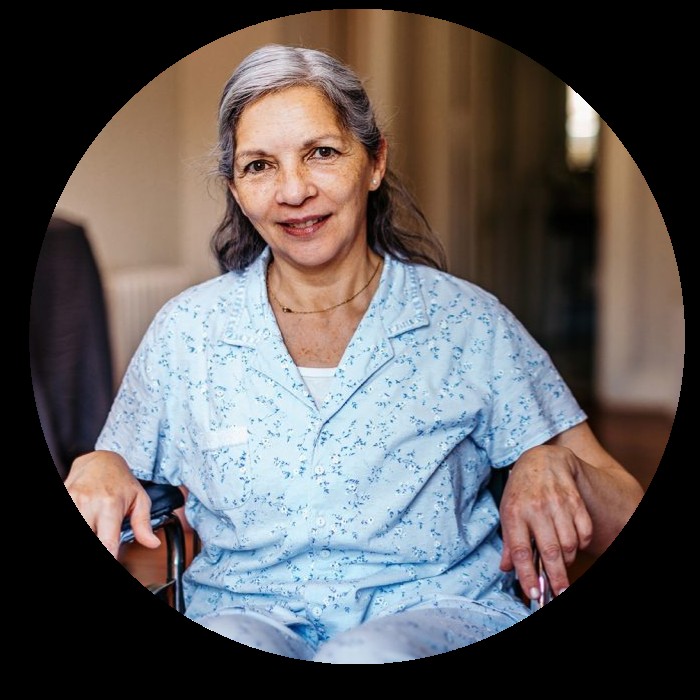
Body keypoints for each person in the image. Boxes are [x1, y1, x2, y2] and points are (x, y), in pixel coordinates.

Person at [65, 43, 644, 663]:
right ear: (235, 186)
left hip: (435, 613)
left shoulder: (466, 324)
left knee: (366, 656)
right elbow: (117, 478)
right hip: (240, 609)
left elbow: (621, 506)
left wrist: (561, 467)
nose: (293, 191)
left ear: (374, 161)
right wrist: (100, 463)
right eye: (260, 166)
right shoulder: (189, 332)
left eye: (321, 153)